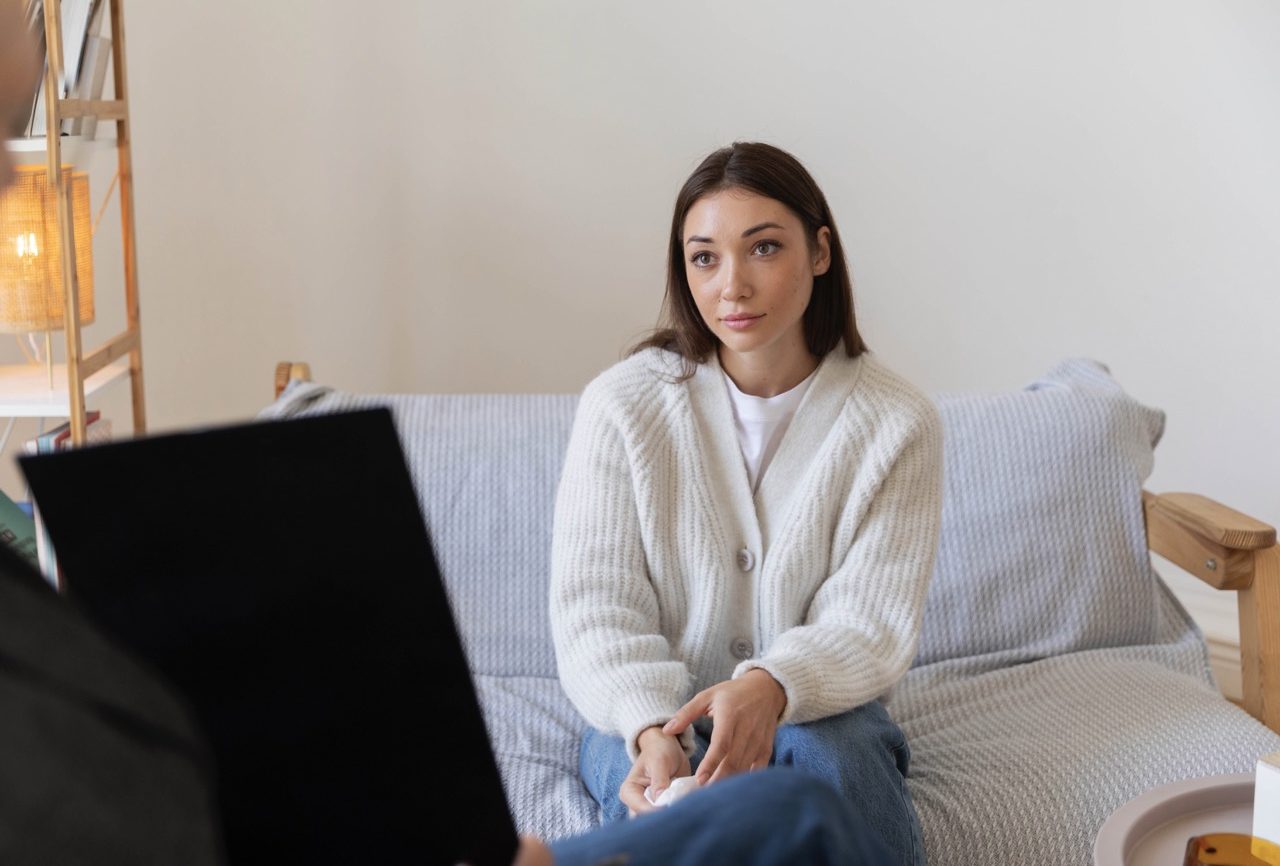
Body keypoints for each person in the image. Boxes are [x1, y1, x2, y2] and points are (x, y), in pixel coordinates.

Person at [550, 142, 943, 866]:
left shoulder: (897, 422)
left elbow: (870, 621)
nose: (732, 285)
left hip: (825, 712)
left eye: (763, 248)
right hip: (643, 714)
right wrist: (652, 729)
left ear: (820, 252)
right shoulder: (622, 406)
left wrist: (771, 687)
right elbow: (595, 608)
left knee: (835, 767)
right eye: (705, 257)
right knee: (665, 802)